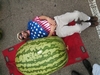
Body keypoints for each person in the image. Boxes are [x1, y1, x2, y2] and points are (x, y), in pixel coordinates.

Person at [17, 10, 98, 41]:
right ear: (25, 38)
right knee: (78, 28)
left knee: (76, 14)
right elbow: (45, 40)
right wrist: (52, 31)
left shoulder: (30, 24)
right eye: (22, 37)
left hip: (57, 20)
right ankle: (89, 23)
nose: (23, 35)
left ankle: (88, 18)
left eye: (20, 34)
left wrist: (48, 18)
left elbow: (39, 18)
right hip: (57, 31)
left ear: (21, 31)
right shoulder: (33, 39)